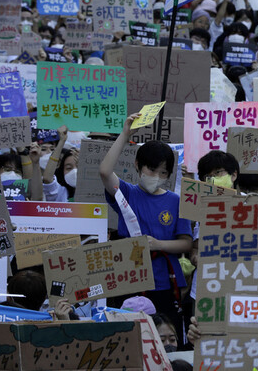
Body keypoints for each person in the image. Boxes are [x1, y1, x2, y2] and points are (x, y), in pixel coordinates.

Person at [99, 113, 193, 344]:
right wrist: (125, 134)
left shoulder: (175, 200)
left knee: (167, 336)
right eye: (151, 170)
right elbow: (104, 171)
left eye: (163, 173)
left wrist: (158, 244)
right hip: (129, 277)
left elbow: (186, 242)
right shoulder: (128, 193)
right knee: (130, 338)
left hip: (165, 279)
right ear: (138, 166)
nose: (157, 177)